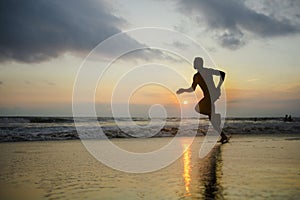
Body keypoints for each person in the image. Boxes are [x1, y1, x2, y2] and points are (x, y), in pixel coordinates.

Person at [176, 57, 229, 143]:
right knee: (211, 118)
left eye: (196, 62)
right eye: (194, 62)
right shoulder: (196, 76)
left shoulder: (207, 71)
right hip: (208, 96)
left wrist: (218, 87)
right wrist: (183, 90)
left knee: (198, 108)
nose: (194, 64)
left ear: (200, 64)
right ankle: (223, 136)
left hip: (212, 94)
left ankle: (216, 116)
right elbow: (192, 89)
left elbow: (222, 74)